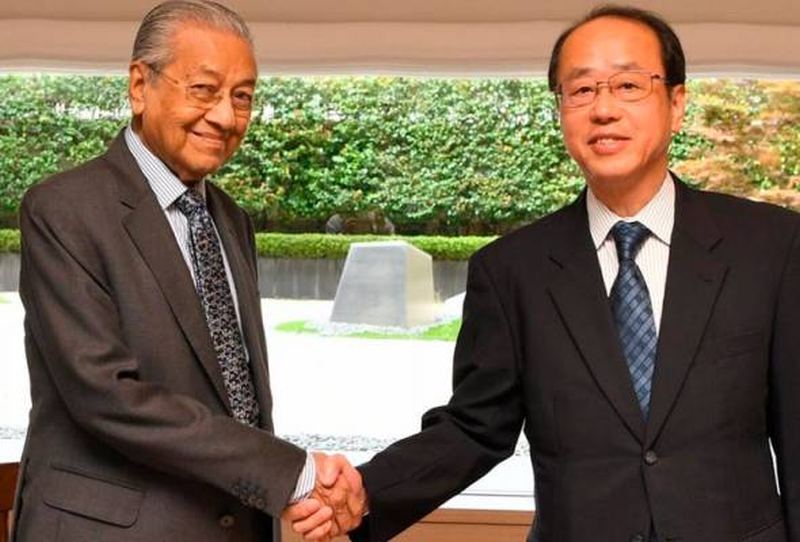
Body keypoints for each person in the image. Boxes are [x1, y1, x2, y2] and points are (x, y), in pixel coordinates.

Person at [287, 5, 800, 541]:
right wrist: (366, 491)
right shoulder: (511, 271)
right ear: (561, 111)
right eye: (581, 91)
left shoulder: (773, 247)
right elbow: (474, 428)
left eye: (628, 85)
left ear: (676, 102)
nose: (603, 108)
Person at [11, 1, 362, 541]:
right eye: (204, 89)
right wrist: (292, 474)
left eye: (241, 97)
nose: (225, 116)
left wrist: (284, 489)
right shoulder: (63, 209)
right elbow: (107, 394)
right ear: (138, 85)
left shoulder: (231, 220)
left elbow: (233, 391)